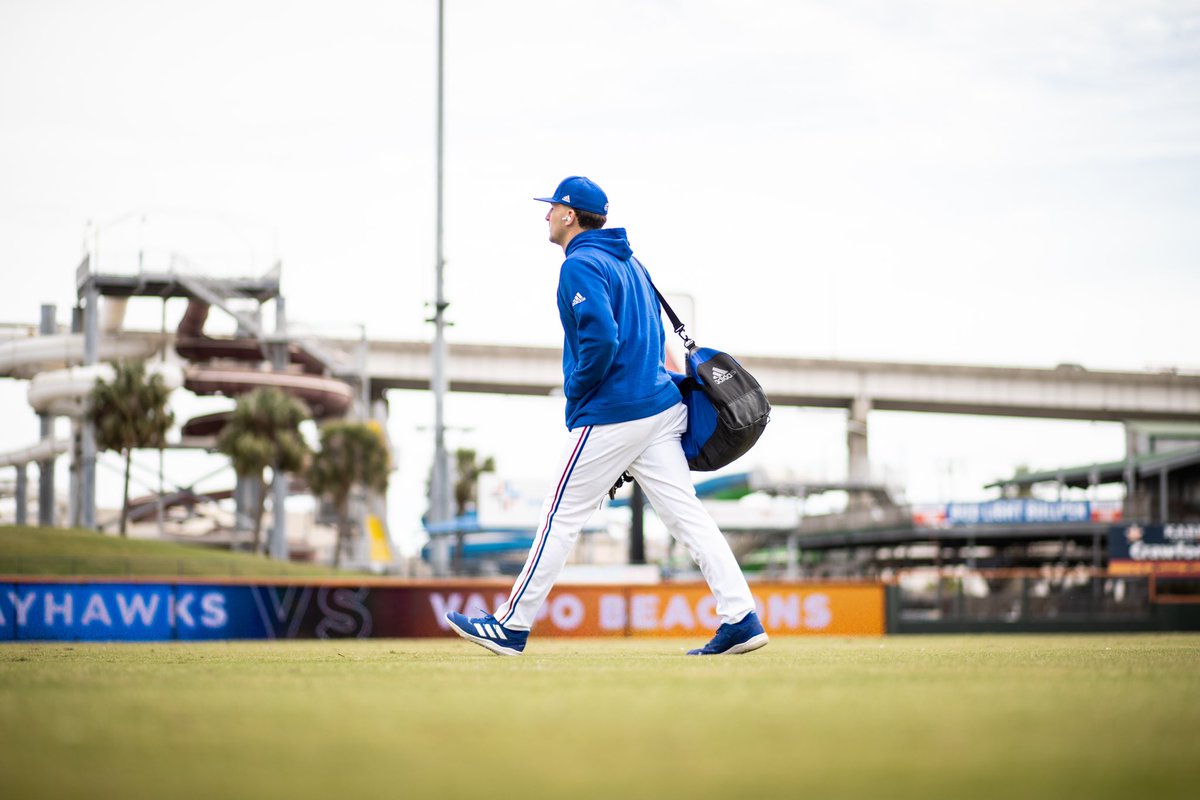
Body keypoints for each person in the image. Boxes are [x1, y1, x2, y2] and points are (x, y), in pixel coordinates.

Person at [445, 176, 767, 657]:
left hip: (616, 409)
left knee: (559, 515)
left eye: (552, 207)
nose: (547, 215)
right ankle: (741, 618)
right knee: (688, 518)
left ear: (570, 214)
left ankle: (512, 626)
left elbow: (601, 341)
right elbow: (651, 339)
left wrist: (577, 391)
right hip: (659, 407)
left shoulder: (581, 264)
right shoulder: (630, 261)